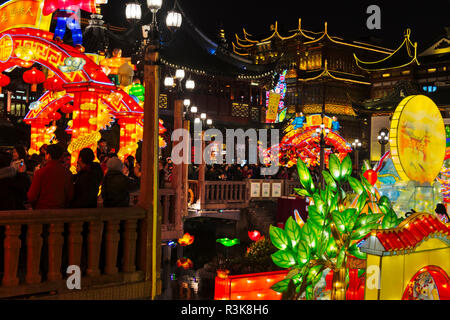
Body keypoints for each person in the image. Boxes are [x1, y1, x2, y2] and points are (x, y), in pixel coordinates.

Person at [27, 144, 74, 210]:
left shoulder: (40, 172)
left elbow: (32, 196)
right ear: (60, 156)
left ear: (48, 155)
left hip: (42, 211)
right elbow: (70, 196)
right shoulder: (67, 173)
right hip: (60, 211)